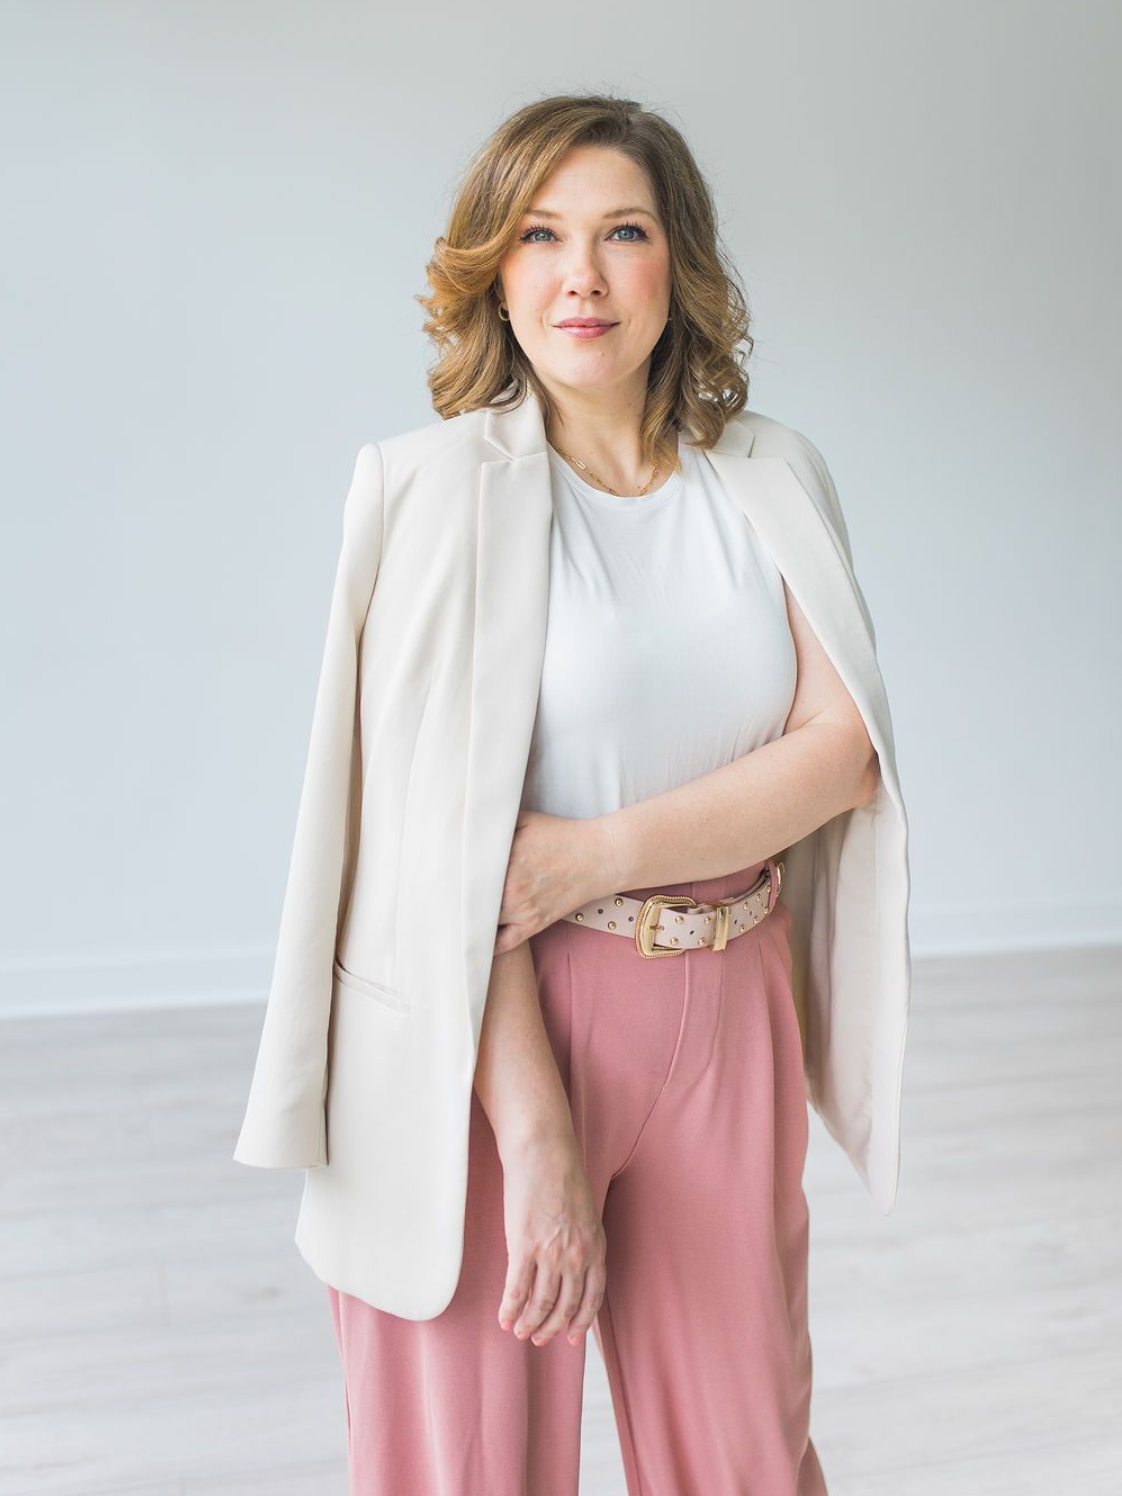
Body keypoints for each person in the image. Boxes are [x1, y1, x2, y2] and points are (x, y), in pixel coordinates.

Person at [235, 91, 911, 1496]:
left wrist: (588, 854)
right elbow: (428, 861)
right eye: (540, 236)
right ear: (493, 264)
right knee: (466, 1472)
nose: (580, 277)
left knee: (747, 1464)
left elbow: (838, 756)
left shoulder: (772, 478)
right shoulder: (425, 495)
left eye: (621, 232)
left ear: (680, 264)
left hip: (730, 1008)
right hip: (486, 1032)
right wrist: (532, 1131)